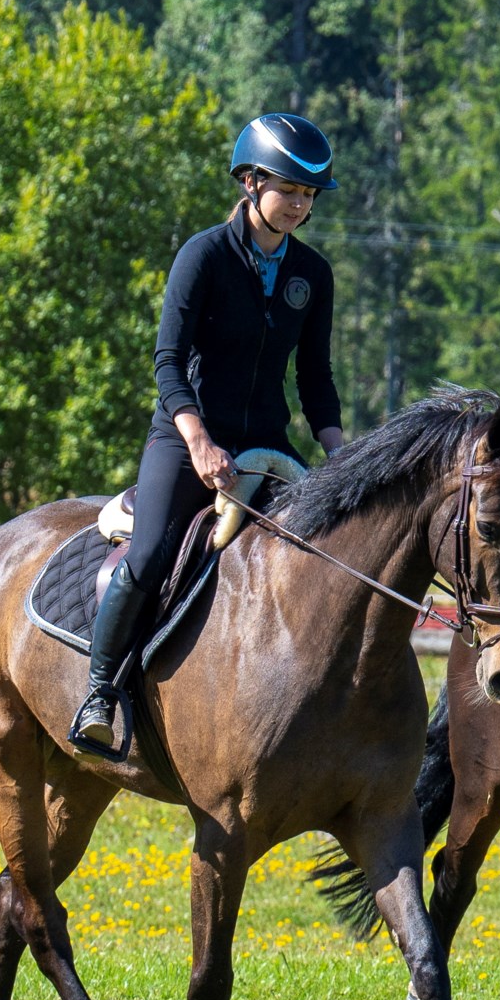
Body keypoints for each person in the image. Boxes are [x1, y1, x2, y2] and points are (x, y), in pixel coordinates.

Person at [69, 112, 350, 758]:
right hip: (187, 436)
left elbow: (315, 377)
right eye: (290, 190)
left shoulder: (314, 275)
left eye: (310, 195)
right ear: (250, 182)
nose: (301, 204)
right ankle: (101, 691)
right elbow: (168, 361)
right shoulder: (203, 255)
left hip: (270, 444)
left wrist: (342, 456)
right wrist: (197, 442)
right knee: (148, 557)